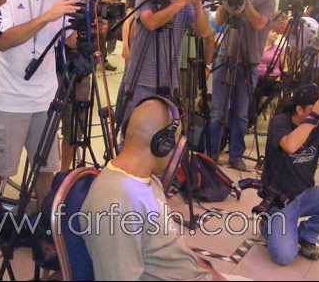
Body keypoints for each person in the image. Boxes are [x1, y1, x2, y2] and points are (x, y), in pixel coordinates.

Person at [0, 0, 82, 205]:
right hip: (7, 99)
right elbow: (2, 41)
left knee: (46, 171)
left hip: (45, 99)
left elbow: (71, 40)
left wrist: (91, 27)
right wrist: (48, 16)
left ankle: (44, 223)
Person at [81, 97, 224, 281]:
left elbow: (172, 248)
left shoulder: (148, 180)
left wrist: (211, 274)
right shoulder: (115, 203)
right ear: (163, 145)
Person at [261, 85, 319, 266]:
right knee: (284, 257)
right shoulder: (280, 122)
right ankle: (268, 223)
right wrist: (313, 118)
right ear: (299, 109)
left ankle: (307, 234)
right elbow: (289, 146)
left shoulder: (317, 125)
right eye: (316, 109)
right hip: (279, 200)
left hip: (305, 194)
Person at [117, 0, 210, 135]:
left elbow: (204, 32)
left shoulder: (185, 5)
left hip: (169, 81)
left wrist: (197, 4)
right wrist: (181, 2)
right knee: (133, 132)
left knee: (162, 135)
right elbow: (151, 22)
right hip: (141, 80)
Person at [210, 0, 276, 170]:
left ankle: (236, 155)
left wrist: (246, 2)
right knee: (218, 111)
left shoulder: (268, 0)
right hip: (225, 58)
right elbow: (219, 20)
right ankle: (211, 153)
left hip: (249, 62)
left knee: (240, 114)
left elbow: (259, 24)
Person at [272, 12, 319, 94]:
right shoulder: (287, 33)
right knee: (305, 91)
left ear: (282, 24)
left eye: (277, 30)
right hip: (308, 63)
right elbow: (296, 52)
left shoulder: (306, 23)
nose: (277, 34)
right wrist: (291, 71)